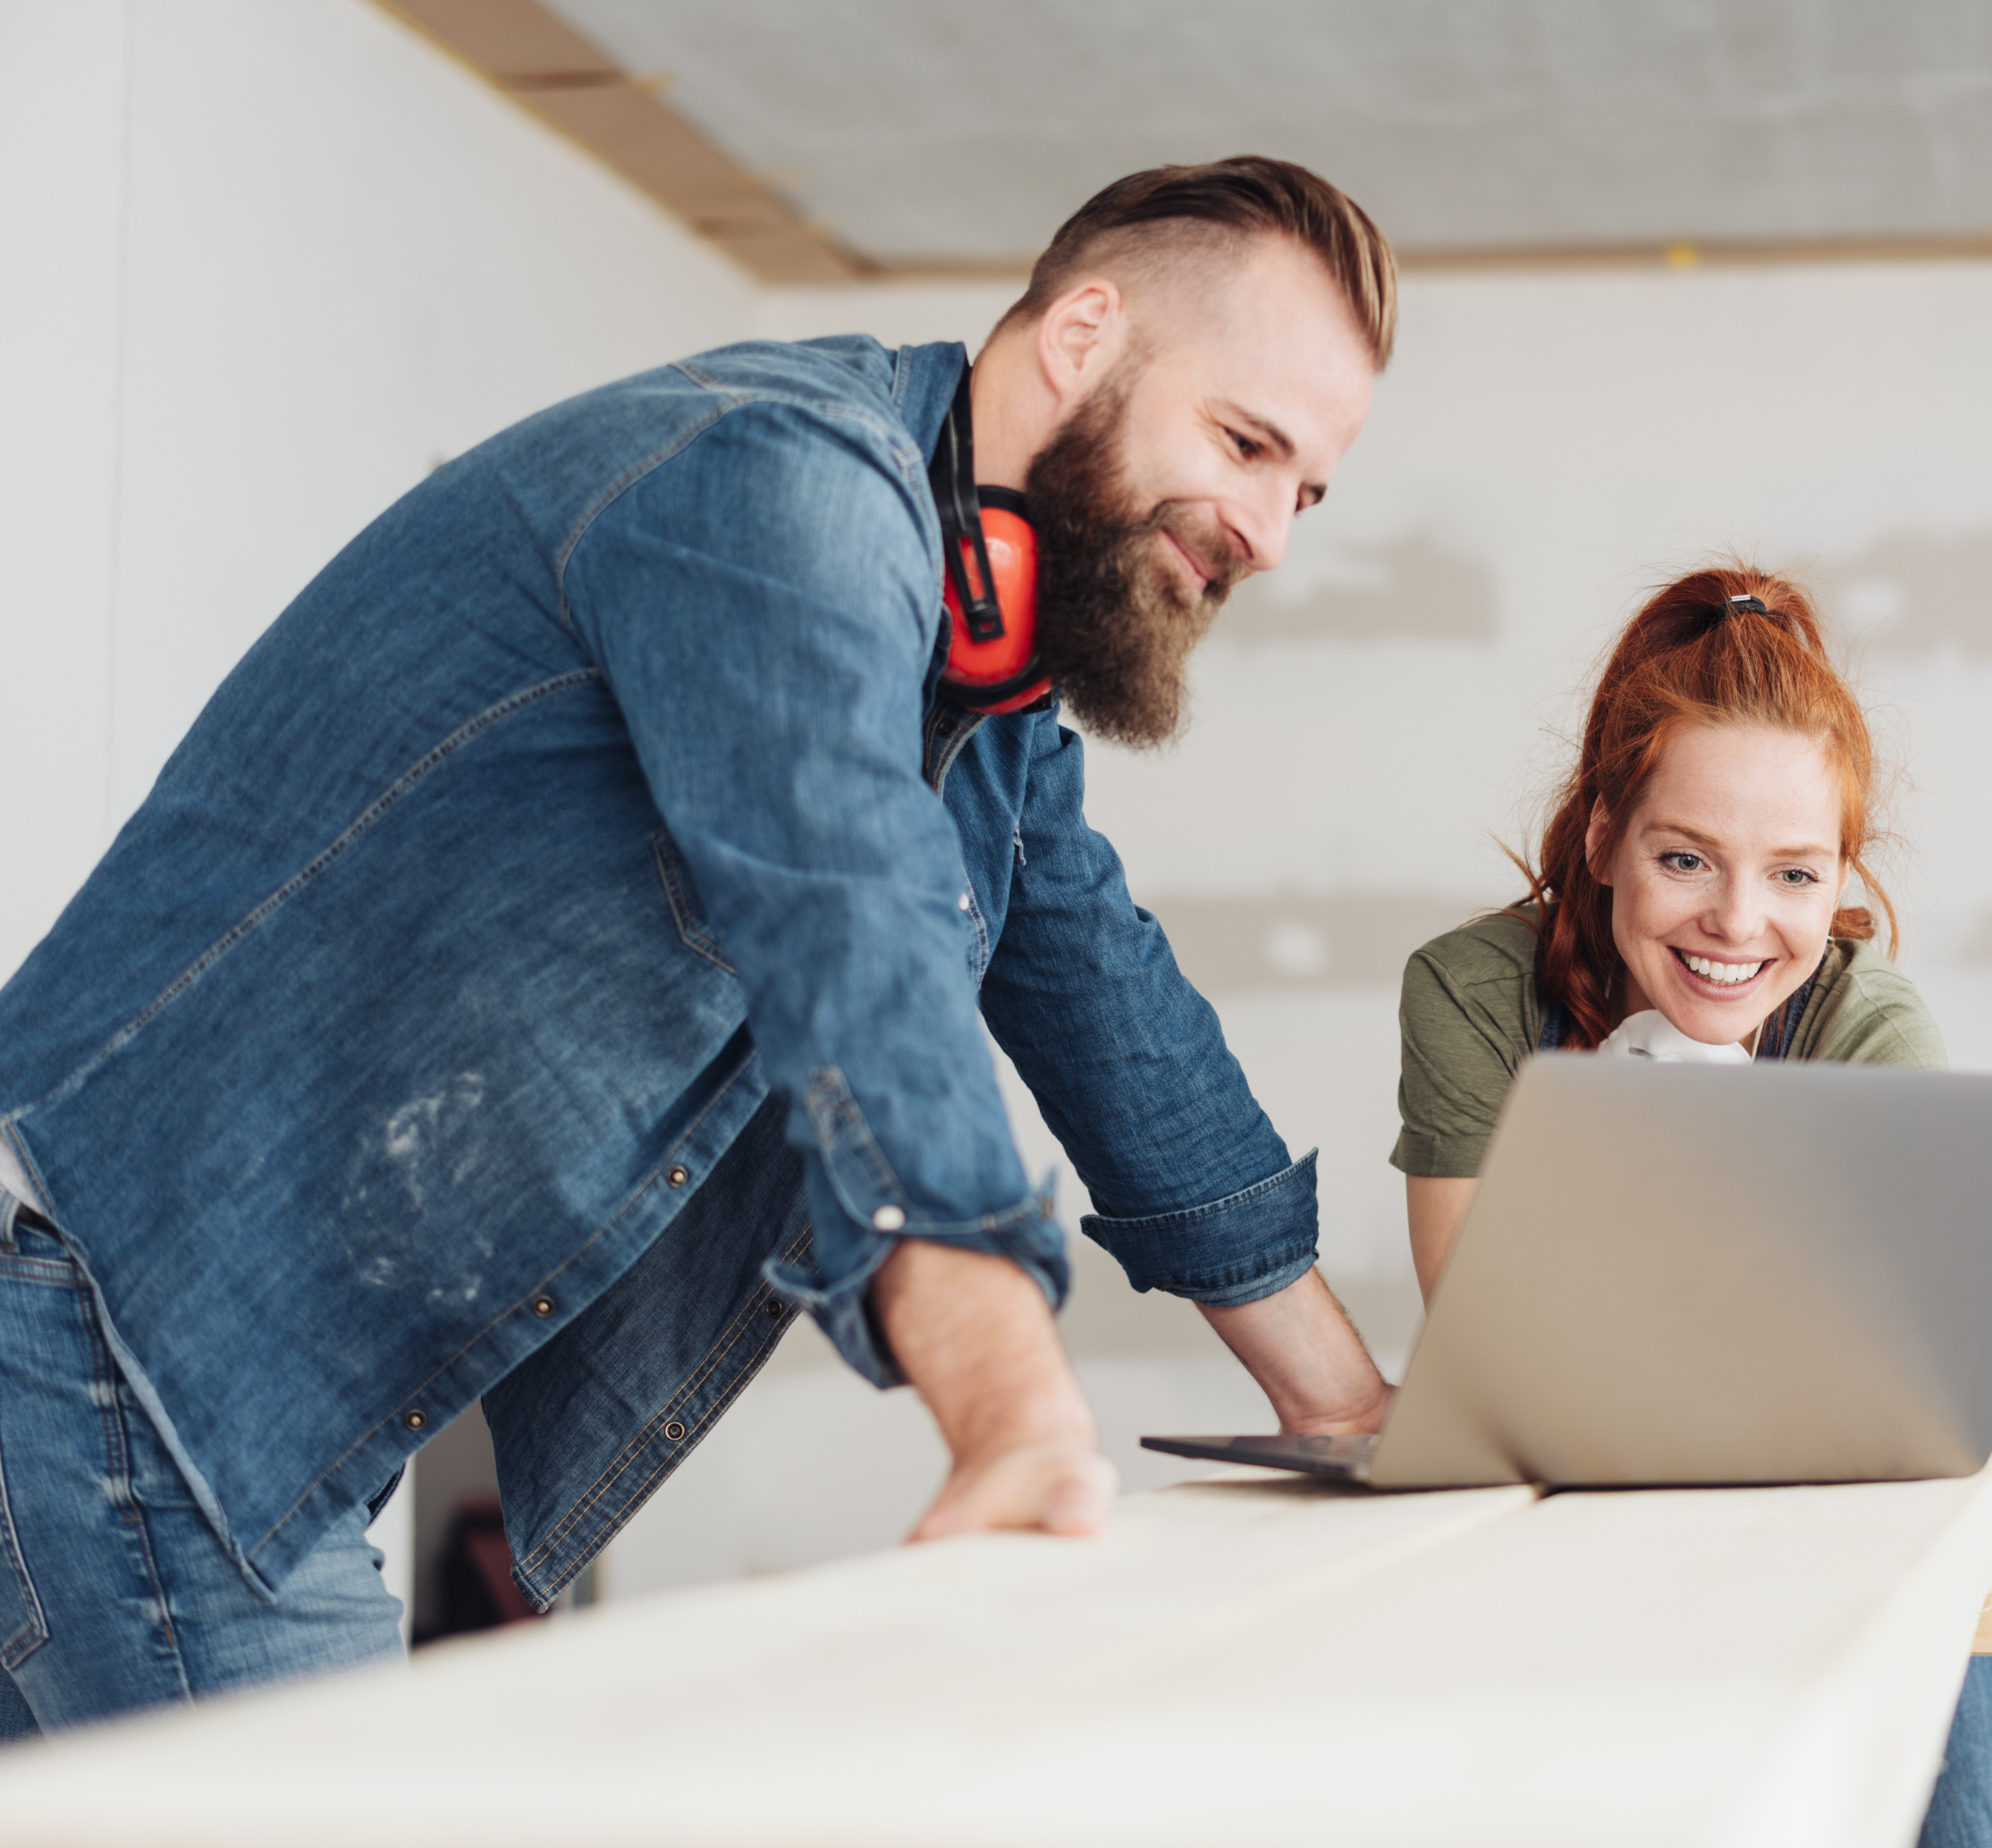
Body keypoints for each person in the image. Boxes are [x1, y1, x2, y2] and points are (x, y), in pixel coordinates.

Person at [0, 157, 1399, 1736]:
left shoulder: (983, 675)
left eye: (1311, 489)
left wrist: (1349, 1406)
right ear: (1081, 337)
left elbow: (1104, 1001)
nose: (1275, 535)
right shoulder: (776, 484)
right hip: (116, 1327)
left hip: (178, 1361)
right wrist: (1010, 1412)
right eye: (1247, 444)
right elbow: (848, 911)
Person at [1390, 568, 1992, 1848]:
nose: (1738, 923)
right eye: (1685, 856)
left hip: (1837, 1507)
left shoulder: (1868, 1026)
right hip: (1556, 1502)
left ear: (1841, 881)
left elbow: (1898, 1392)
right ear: (1601, 838)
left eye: (1795, 874)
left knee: (1955, 1483)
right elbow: (1492, 1352)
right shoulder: (1472, 992)